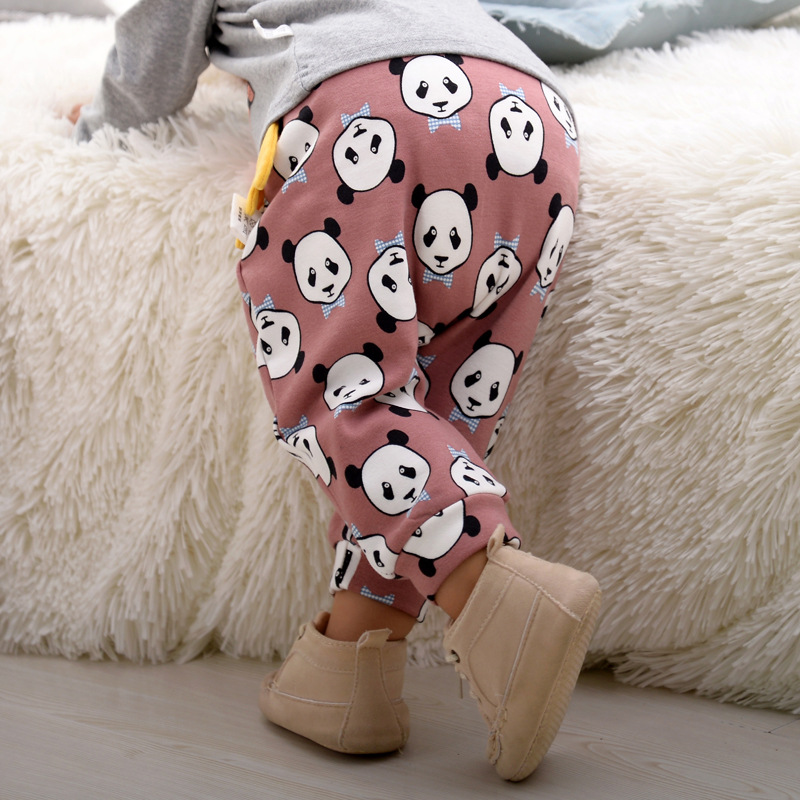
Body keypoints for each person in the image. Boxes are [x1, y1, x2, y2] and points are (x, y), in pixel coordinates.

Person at [74, 0, 601, 782]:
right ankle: (351, 664)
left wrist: (102, 122)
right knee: (439, 414)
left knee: (342, 389)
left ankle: (491, 586)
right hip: (532, 118)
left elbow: (156, 55)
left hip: (367, 105)